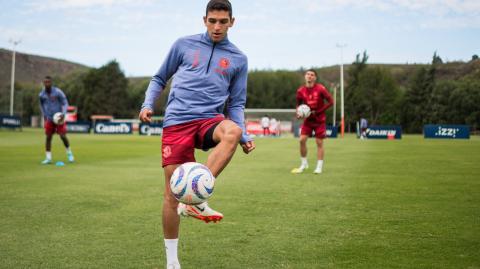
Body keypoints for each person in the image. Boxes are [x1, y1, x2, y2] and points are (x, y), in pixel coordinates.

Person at [138, 1, 255, 268]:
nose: (217, 26)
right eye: (212, 21)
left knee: (233, 131)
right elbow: (159, 78)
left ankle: (196, 196)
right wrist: (147, 104)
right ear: (204, 20)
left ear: (232, 23)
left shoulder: (239, 59)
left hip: (209, 120)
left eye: (223, 21)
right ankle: (172, 262)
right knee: (171, 195)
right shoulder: (183, 44)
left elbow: (236, 103)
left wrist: (244, 136)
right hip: (177, 121)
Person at [291, 69, 333, 174]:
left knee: (319, 142)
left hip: (319, 120)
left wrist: (318, 111)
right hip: (308, 121)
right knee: (301, 140)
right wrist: (299, 113)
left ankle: (319, 167)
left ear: (315, 78)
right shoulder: (300, 91)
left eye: (312, 75)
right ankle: (304, 163)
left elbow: (331, 101)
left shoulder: (320, 89)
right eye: (308, 74)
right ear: (305, 76)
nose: (309, 76)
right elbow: (298, 105)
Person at [39, 76, 74, 164]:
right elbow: (41, 105)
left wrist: (63, 114)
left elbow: (65, 103)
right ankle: (48, 158)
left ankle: (69, 153)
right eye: (45, 82)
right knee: (48, 137)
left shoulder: (58, 92)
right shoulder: (41, 95)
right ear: (43, 83)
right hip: (50, 118)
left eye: (48, 82)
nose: (47, 83)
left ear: (51, 83)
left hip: (59, 118)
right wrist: (44, 115)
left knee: (62, 136)